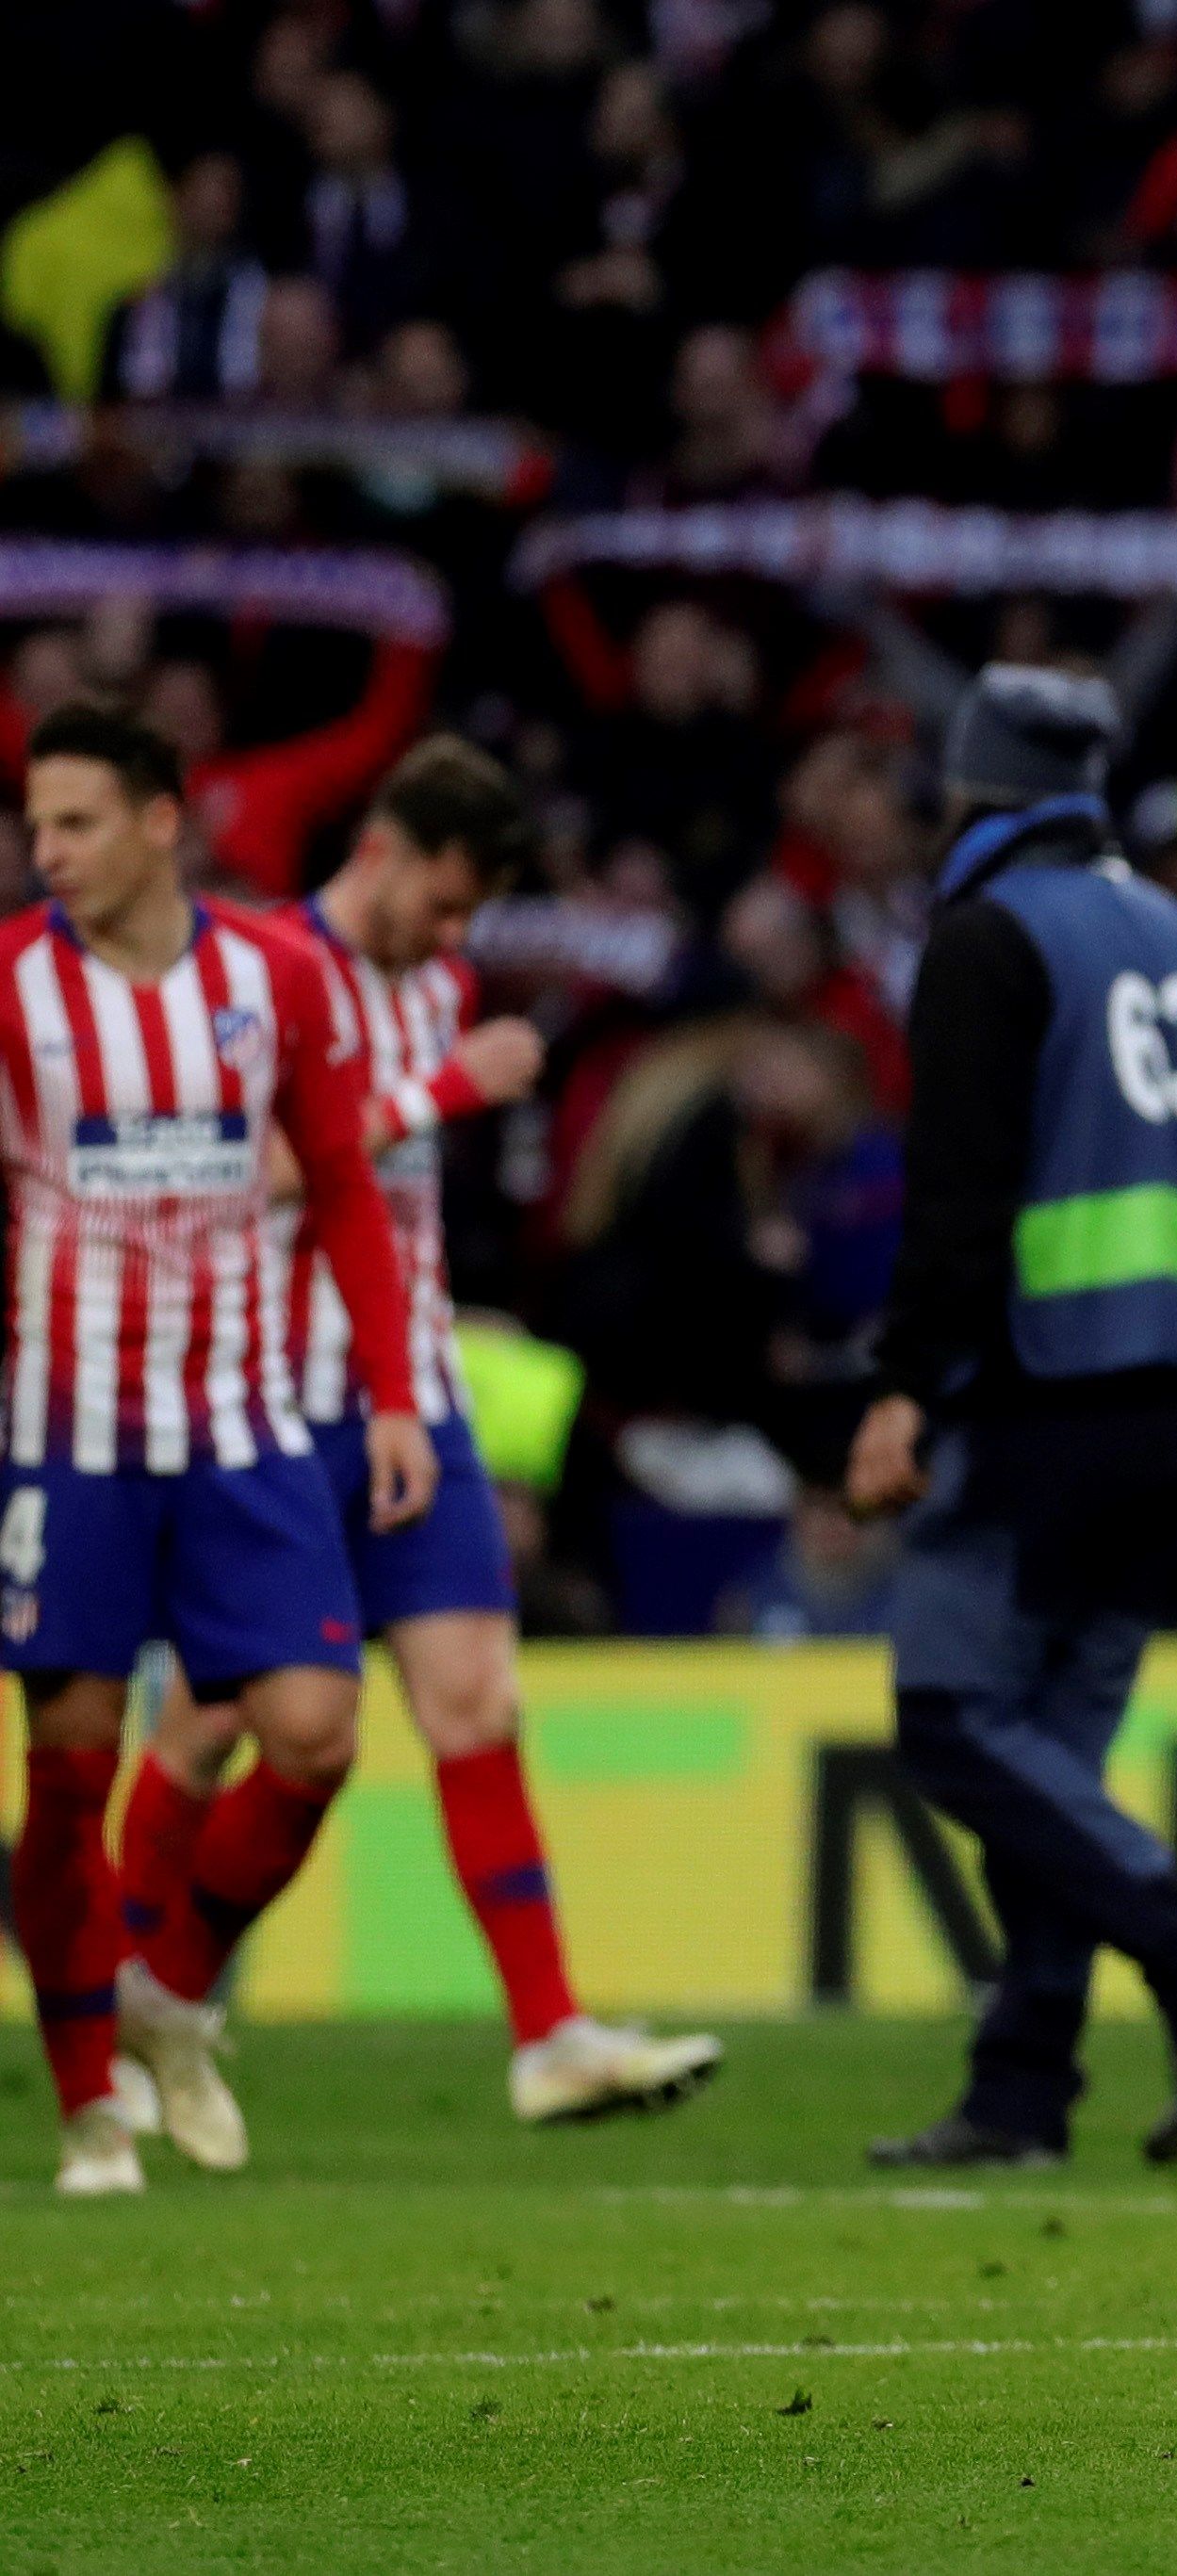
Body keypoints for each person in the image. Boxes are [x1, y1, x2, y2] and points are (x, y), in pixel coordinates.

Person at [112, 740, 725, 2131]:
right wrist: (440, 1092)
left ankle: (548, 2033)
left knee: (475, 1703)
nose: (454, 938)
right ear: (382, 850)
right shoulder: (256, 973)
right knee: (223, 1727)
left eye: (472, 917)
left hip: (411, 1395)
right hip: (267, 1405)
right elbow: (235, 1177)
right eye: (443, 904)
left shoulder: (441, 987)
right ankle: (132, 2011)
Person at [844, 665, 1177, 2172]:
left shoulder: (987, 936)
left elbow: (958, 1195)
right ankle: (1021, 2087)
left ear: (973, 793)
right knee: (1055, 1748)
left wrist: (903, 1381)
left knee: (954, 1717)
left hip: (1044, 1394)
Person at [4, 702, 436, 2197]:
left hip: (245, 1424)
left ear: (159, 823)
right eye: (35, 824)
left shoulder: (273, 978)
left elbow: (344, 1184)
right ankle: (88, 2104)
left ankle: (166, 1991)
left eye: (74, 822)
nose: (47, 851)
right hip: (68, 1434)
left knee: (317, 1729)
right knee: (72, 1768)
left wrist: (392, 1391)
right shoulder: (13, 987)